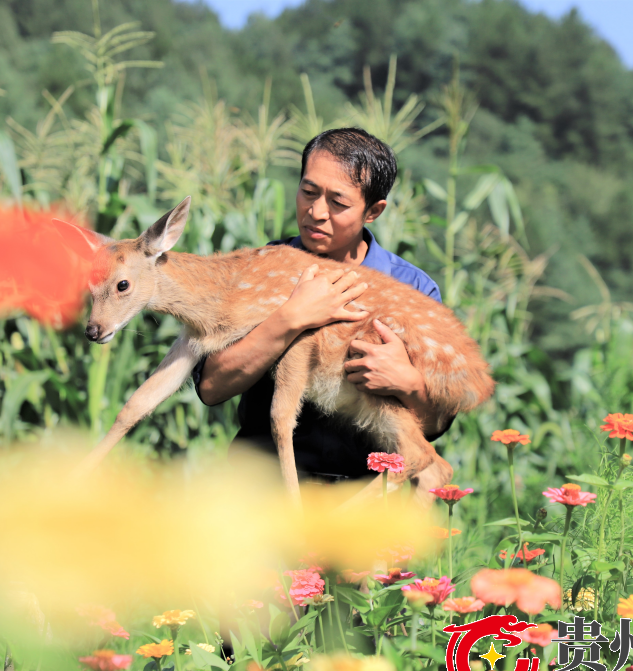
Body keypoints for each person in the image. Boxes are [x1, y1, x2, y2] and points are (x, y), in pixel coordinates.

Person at [192, 127, 452, 482]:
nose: (316, 211)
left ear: (373, 210)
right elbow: (211, 386)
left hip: (363, 498)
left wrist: (408, 383)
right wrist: (288, 319)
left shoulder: (412, 289)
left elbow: (437, 423)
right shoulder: (262, 268)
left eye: (338, 202)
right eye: (308, 191)